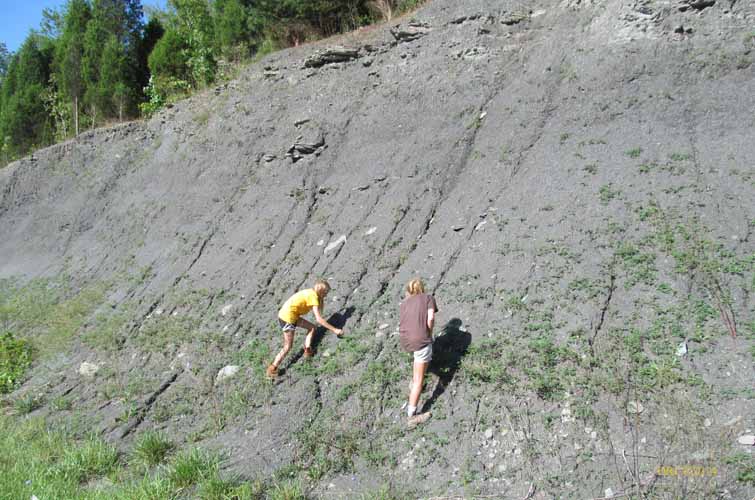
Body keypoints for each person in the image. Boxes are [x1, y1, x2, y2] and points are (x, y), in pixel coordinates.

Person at [266, 279, 343, 378]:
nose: (326, 295)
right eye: (326, 292)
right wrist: (335, 330)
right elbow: (319, 319)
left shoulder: (311, 293)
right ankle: (272, 369)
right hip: (287, 317)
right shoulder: (314, 297)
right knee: (288, 346)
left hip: (291, 315)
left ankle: (307, 349)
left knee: (312, 328)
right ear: (321, 291)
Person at [399, 278, 437, 427]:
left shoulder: (404, 304)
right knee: (419, 379)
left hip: (405, 340)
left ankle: (414, 384)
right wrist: (429, 333)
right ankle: (412, 416)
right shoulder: (428, 298)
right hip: (420, 340)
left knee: (419, 358)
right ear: (422, 288)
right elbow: (431, 318)